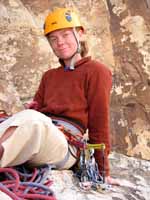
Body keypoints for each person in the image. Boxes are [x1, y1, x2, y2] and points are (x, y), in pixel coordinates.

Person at [0, 7, 119, 185]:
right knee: (25, 117)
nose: (60, 42)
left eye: (65, 35)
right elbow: (36, 109)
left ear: (80, 34)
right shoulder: (49, 76)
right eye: (53, 39)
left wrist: (102, 170)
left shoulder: (97, 71)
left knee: (33, 120)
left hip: (65, 147)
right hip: (41, 135)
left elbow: (99, 120)